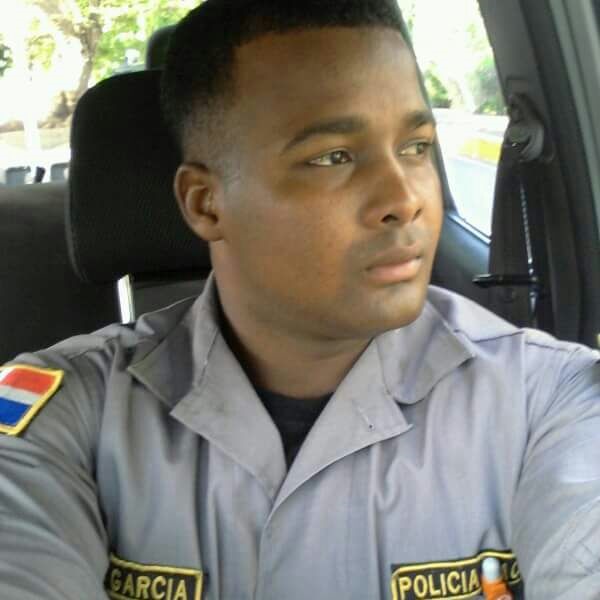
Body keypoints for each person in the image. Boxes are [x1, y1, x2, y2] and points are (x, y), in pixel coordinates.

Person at [0, 1, 599, 598]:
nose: (405, 198)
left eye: (415, 147)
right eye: (333, 157)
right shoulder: (62, 418)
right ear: (206, 203)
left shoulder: (550, 400)